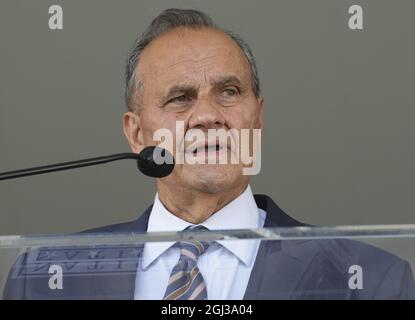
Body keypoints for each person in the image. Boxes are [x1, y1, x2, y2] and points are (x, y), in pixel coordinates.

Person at [3, 8, 415, 300]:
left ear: (257, 116)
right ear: (135, 132)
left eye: (229, 92)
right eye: (180, 98)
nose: (207, 116)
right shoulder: (46, 278)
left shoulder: (366, 279)